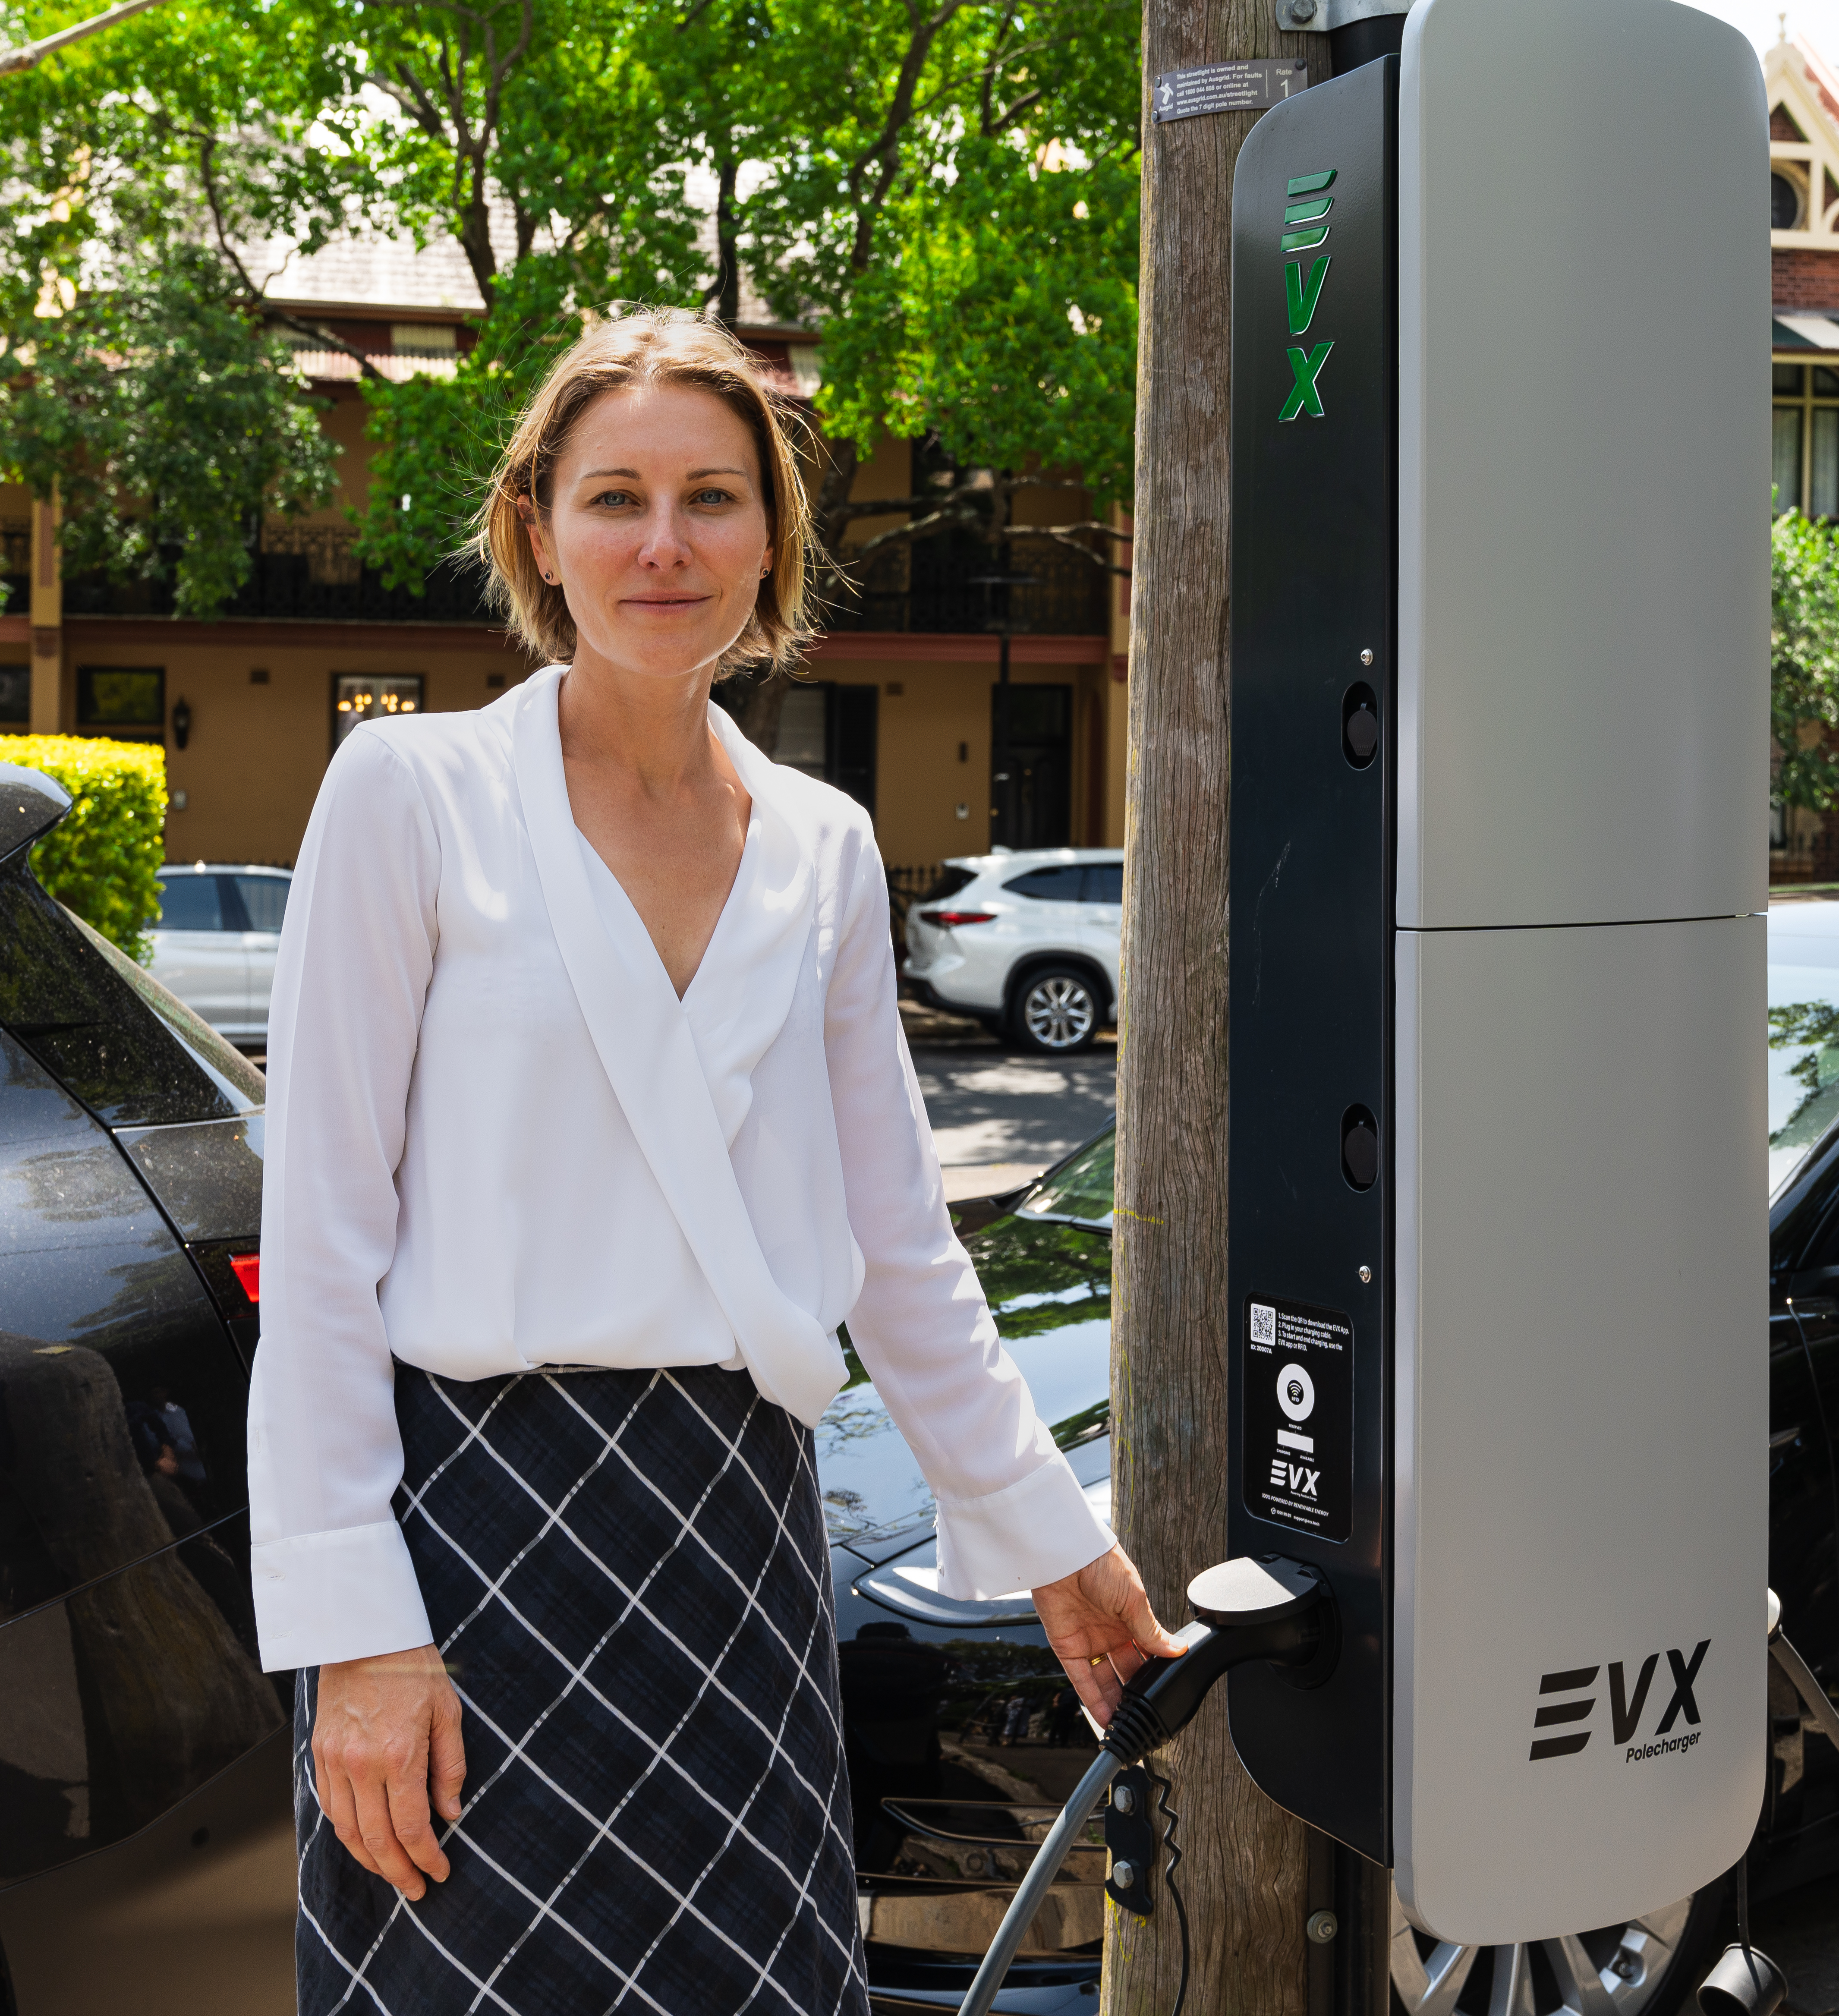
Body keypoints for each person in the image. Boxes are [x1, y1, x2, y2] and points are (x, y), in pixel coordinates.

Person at [247, 307, 1181, 2013]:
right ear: (539, 527)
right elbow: (316, 1245)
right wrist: (354, 1639)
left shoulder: (822, 848)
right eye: (616, 498)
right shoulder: (411, 791)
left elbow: (901, 1249)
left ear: (774, 530)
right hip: (472, 1537)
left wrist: (1064, 1547)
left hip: (736, 1531)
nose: (665, 545)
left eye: (712, 497)